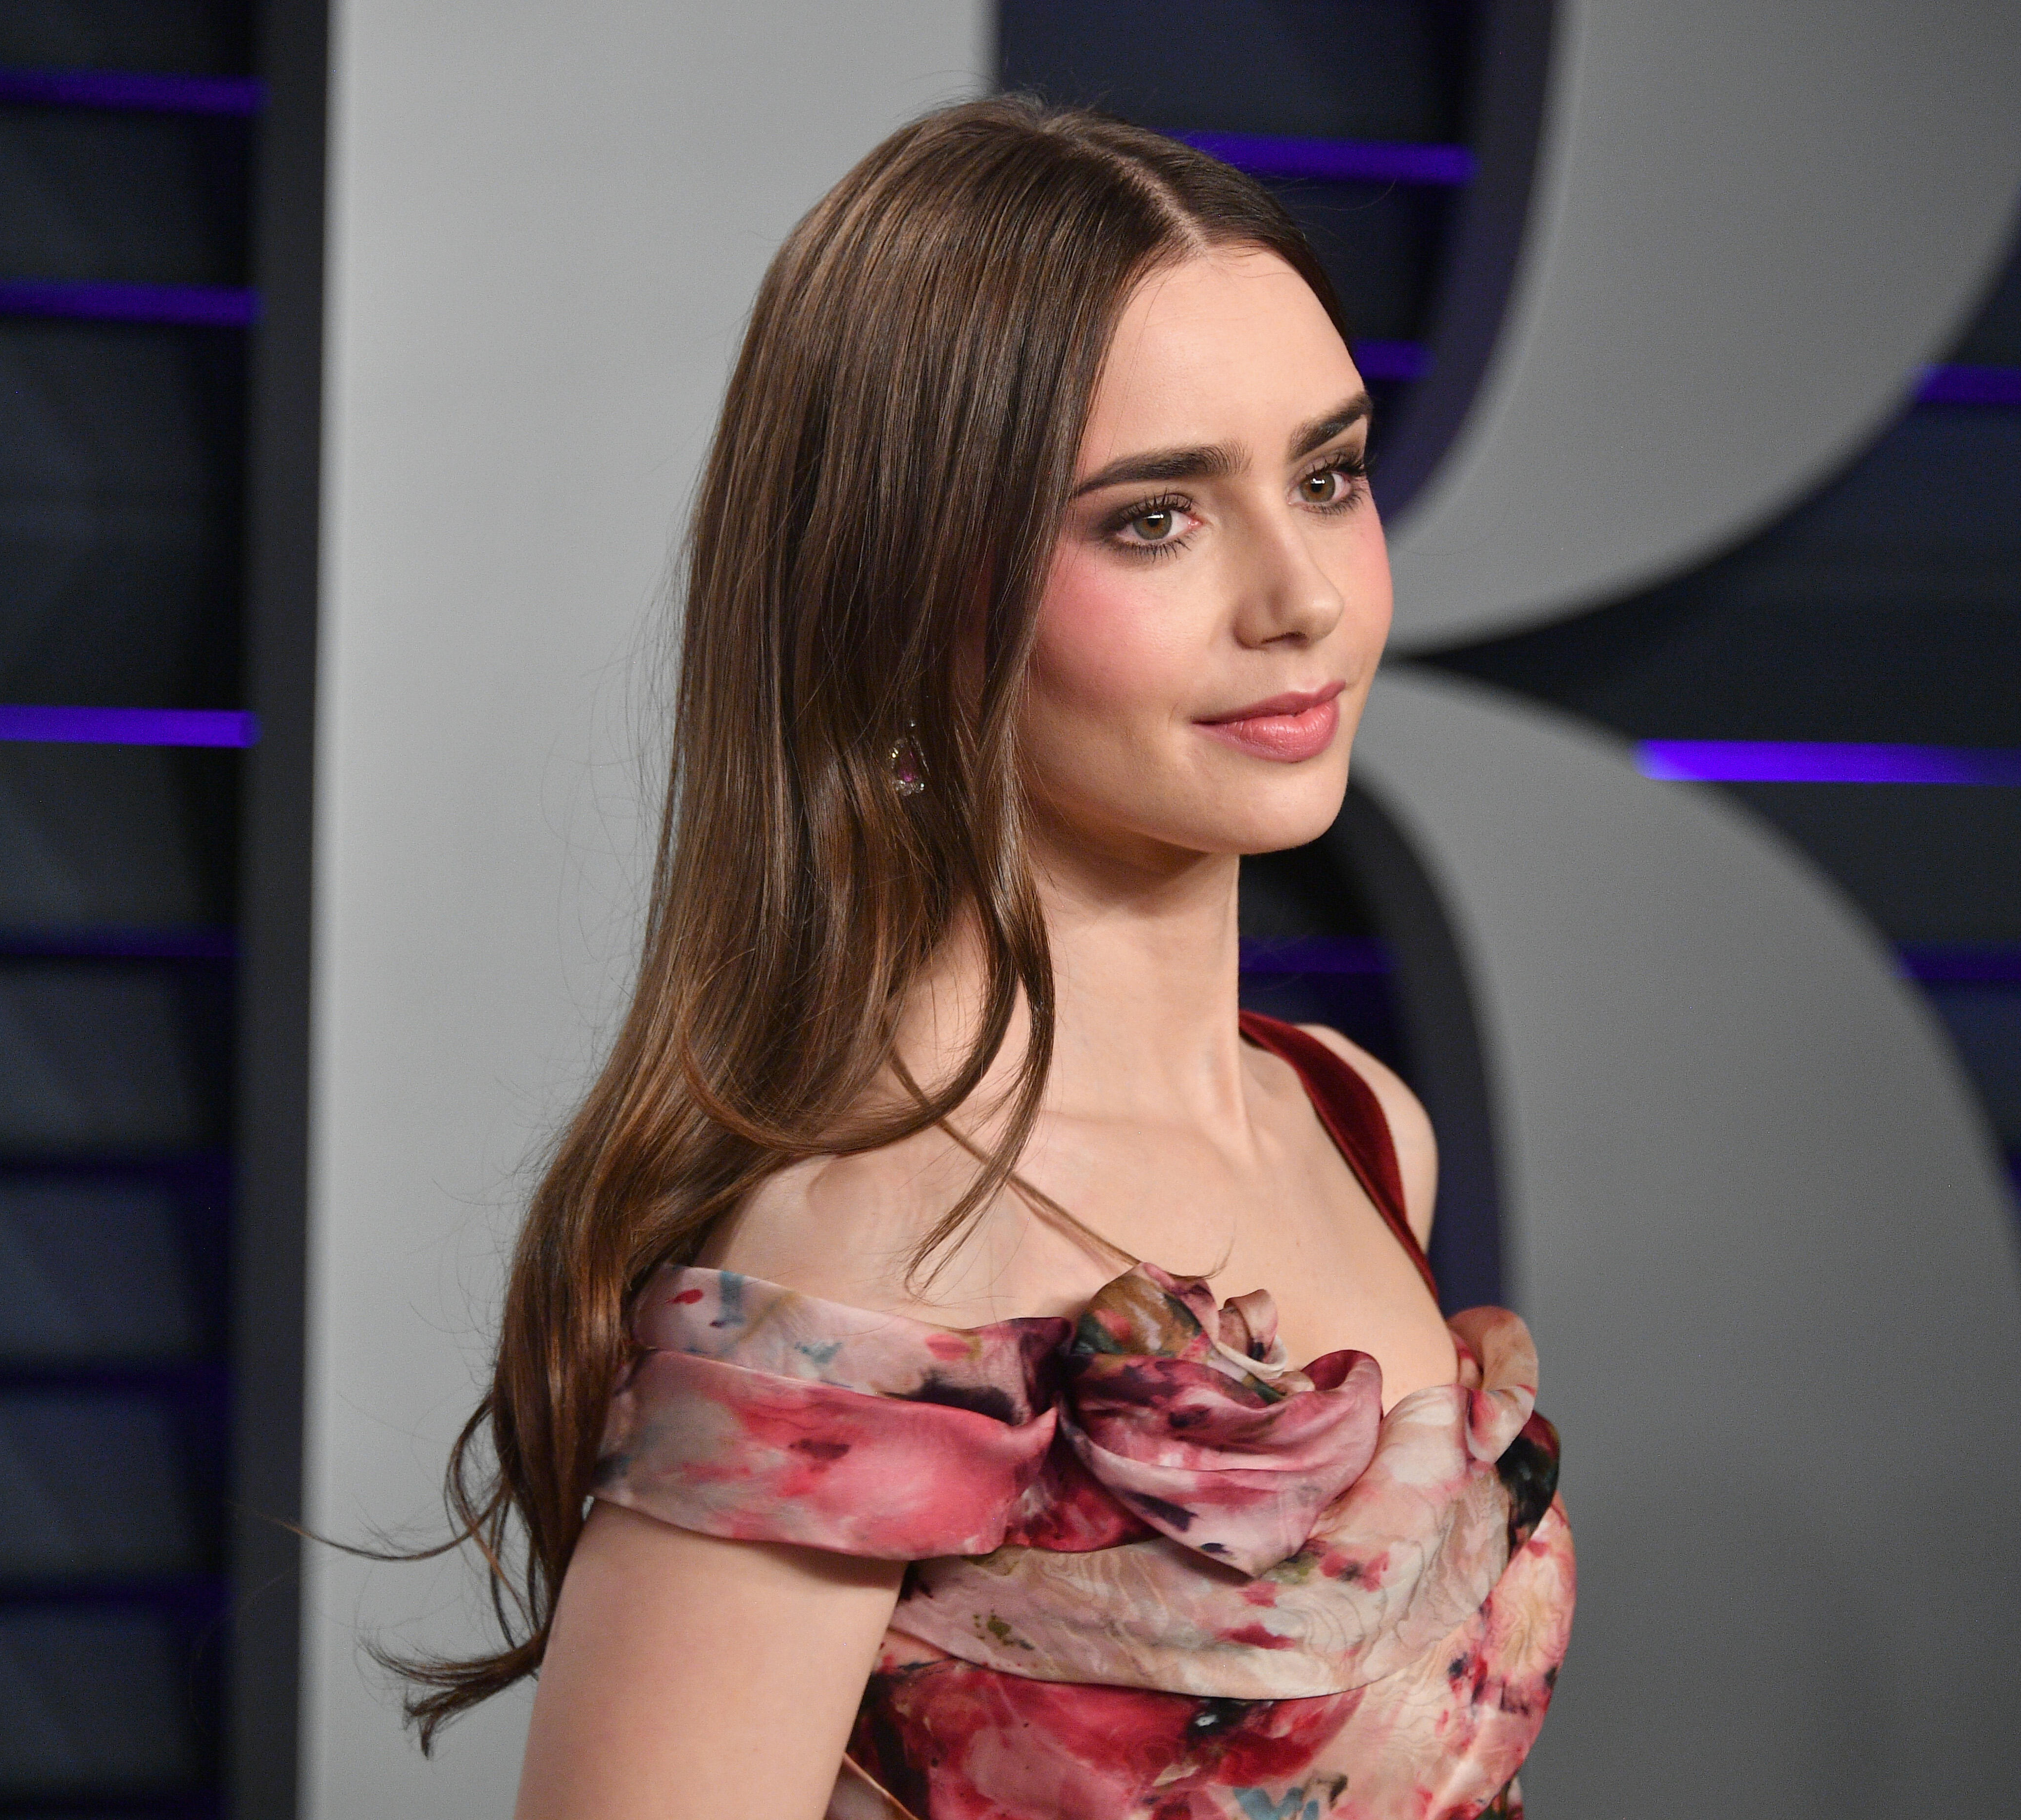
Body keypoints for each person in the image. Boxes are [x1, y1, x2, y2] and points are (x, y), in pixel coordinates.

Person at [396, 97, 1573, 1820]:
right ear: (905, 594)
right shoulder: (868, 1252)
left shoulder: (1356, 1120)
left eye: (1327, 478)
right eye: (1153, 520)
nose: (1304, 597)